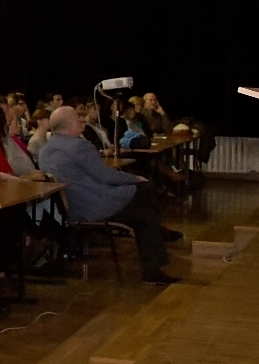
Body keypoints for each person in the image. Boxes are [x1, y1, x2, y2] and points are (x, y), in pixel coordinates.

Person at [38, 105, 178, 285]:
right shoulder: (78, 146)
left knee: (145, 210)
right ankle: (154, 263)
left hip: (72, 208)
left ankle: (157, 238)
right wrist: (135, 178)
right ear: (70, 124)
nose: (82, 122)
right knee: (146, 191)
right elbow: (106, 176)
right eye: (78, 119)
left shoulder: (45, 150)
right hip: (96, 206)